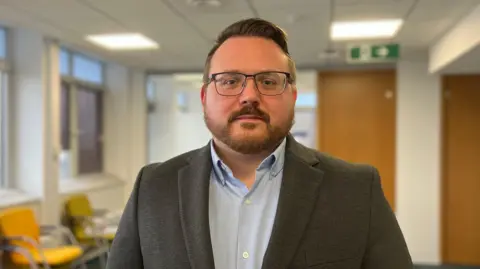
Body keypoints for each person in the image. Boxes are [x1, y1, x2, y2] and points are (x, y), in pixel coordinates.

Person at [106, 18, 412, 269]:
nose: (249, 95)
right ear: (204, 98)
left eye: (268, 81)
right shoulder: (153, 186)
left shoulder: (356, 189)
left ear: (292, 96)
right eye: (229, 81)